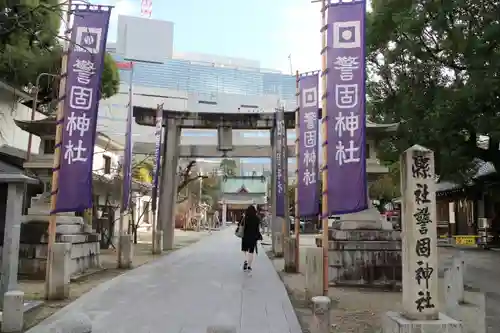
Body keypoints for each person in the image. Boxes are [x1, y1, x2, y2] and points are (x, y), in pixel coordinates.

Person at [239, 205, 261, 271]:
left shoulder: (245, 218)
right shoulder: (257, 218)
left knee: (245, 250)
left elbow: (240, 225)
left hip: (245, 236)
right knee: (251, 251)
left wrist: (242, 217)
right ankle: (249, 265)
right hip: (253, 237)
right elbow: (257, 229)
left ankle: (245, 260)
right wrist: (258, 236)